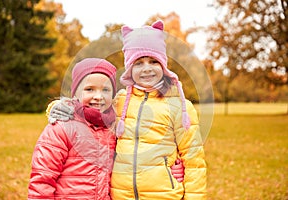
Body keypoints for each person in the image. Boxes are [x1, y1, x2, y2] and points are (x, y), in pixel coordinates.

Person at [110, 20, 207, 199]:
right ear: (129, 69)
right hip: (121, 196)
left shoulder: (179, 106)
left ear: (163, 65)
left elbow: (194, 162)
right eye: (138, 63)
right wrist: (61, 107)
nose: (147, 68)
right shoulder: (119, 101)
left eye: (153, 61)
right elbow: (87, 112)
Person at [28, 58, 117, 199]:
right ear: (75, 93)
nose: (98, 96)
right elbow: (43, 176)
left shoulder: (113, 129)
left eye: (105, 89)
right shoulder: (63, 126)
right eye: (89, 89)